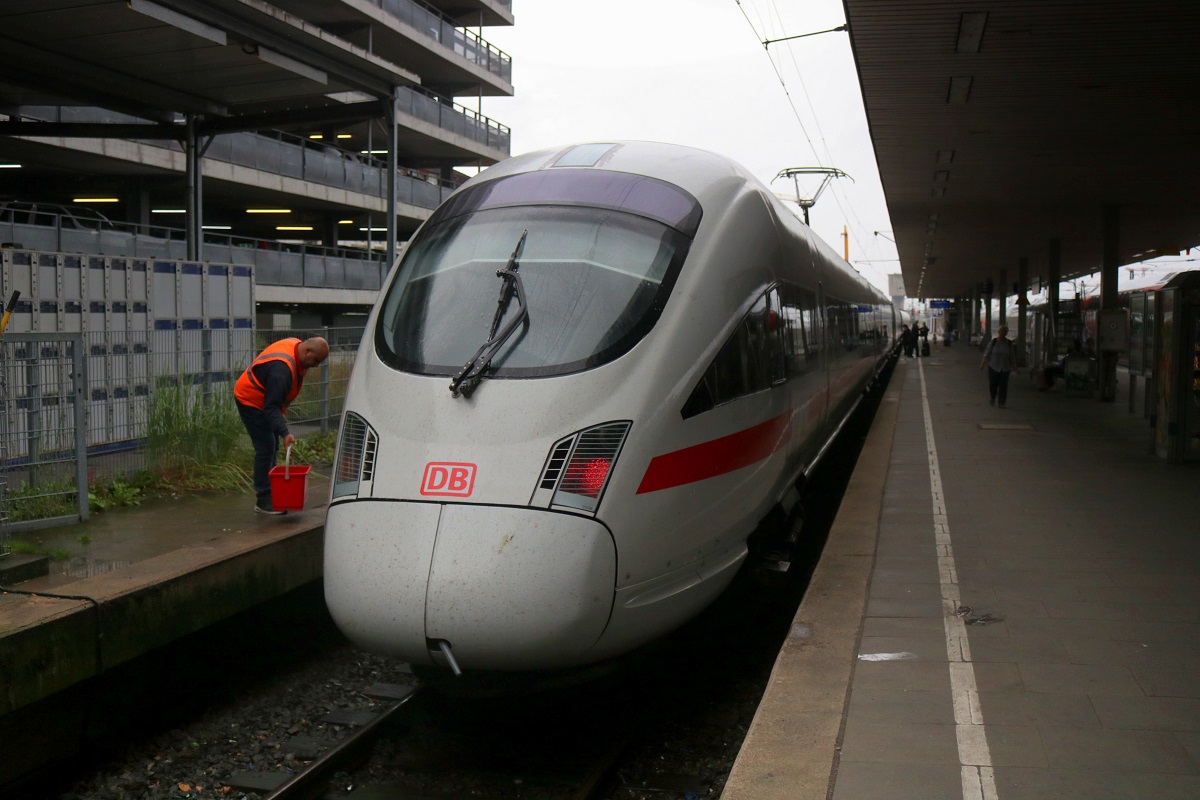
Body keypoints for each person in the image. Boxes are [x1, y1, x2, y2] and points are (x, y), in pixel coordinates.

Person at [235, 336, 330, 514]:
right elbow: (270, 408)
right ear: (307, 351)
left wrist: (281, 432)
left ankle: (274, 493)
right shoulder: (282, 371)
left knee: (273, 445)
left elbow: (274, 405)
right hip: (250, 400)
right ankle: (264, 500)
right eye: (316, 360)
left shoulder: (296, 348)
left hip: (264, 401)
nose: (316, 365)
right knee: (266, 448)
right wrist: (285, 432)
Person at [979, 325, 1016, 407]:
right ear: (999, 332)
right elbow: (986, 354)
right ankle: (993, 397)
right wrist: (982, 364)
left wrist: (1014, 368)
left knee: (1003, 385)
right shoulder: (993, 342)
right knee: (993, 384)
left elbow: (1012, 357)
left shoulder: (1009, 344)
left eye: (1005, 332)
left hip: (1005, 368)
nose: (1003, 333)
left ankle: (1001, 402)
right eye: (1002, 331)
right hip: (993, 367)